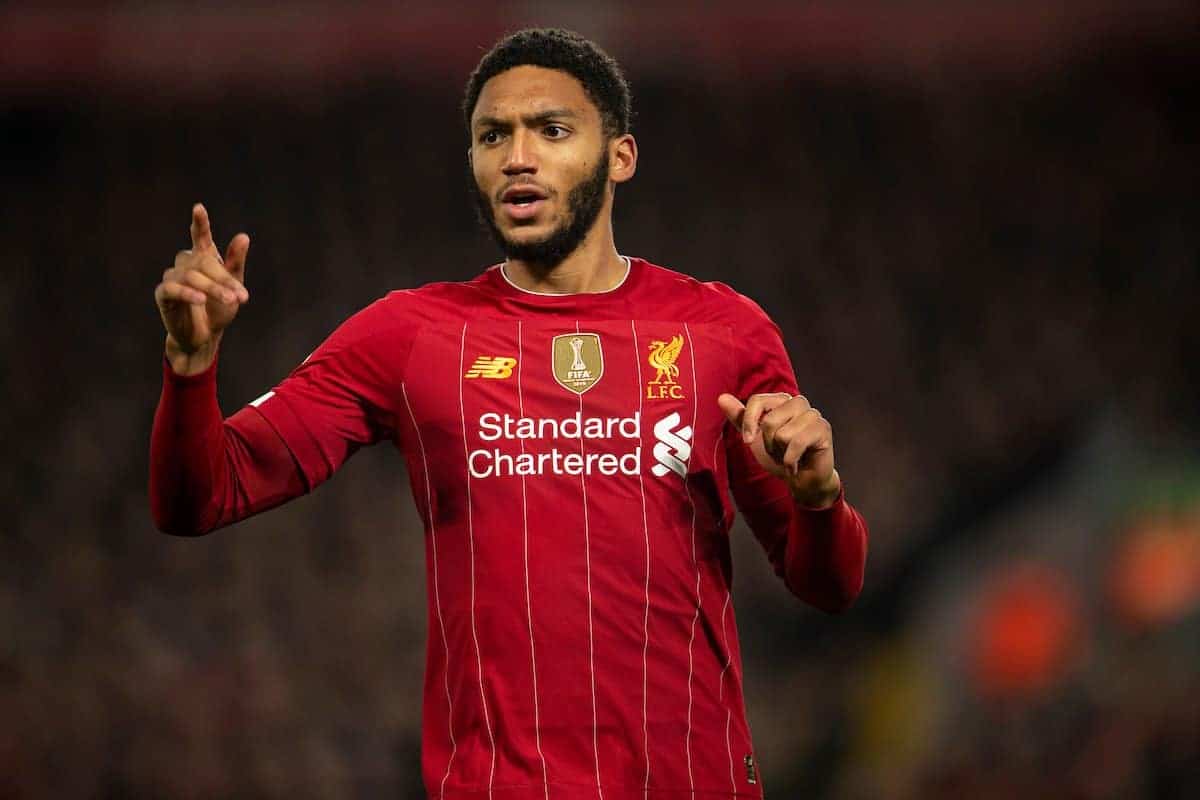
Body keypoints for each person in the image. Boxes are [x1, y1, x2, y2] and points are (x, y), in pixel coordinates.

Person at [150, 28, 868, 800]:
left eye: (550, 130)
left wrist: (819, 499)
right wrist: (191, 371)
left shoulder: (723, 333)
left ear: (619, 157)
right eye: (494, 135)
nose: (517, 156)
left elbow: (828, 584)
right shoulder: (409, 335)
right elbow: (201, 498)